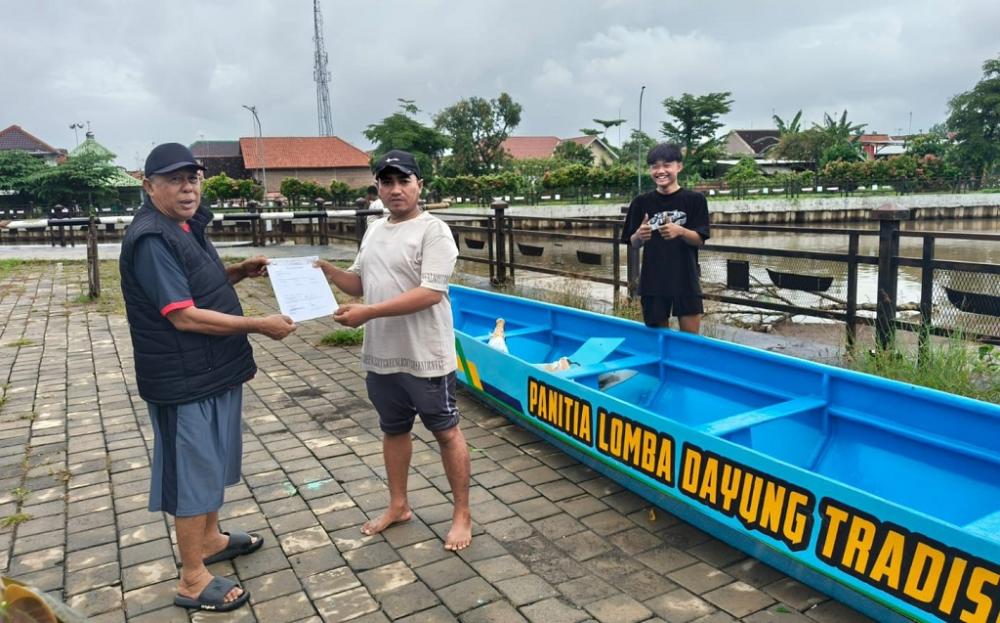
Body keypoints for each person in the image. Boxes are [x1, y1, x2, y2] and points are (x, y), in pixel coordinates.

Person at [119, 143, 297, 612]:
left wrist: (237, 271)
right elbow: (183, 316)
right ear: (149, 185)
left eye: (193, 178)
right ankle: (193, 578)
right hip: (183, 377)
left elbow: (195, 282)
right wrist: (260, 324)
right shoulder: (151, 238)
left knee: (216, 459)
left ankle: (212, 540)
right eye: (175, 179)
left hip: (213, 369)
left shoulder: (185, 226)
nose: (188, 188)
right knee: (193, 471)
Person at [315, 149, 472, 551]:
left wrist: (368, 313)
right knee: (393, 430)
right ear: (378, 188)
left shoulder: (434, 231)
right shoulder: (374, 229)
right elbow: (360, 284)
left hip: (426, 354)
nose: (396, 189)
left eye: (404, 181)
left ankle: (461, 514)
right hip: (382, 354)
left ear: (420, 185)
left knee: (446, 432)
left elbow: (430, 293)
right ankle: (398, 505)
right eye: (387, 182)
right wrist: (327, 273)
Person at [621, 143, 711, 334]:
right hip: (653, 282)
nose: (660, 171)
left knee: (689, 343)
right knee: (658, 343)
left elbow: (700, 239)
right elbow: (633, 243)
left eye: (666, 165)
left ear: (679, 166)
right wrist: (639, 235)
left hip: (685, 280)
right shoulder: (641, 202)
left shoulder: (695, 200)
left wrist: (681, 231)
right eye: (655, 166)